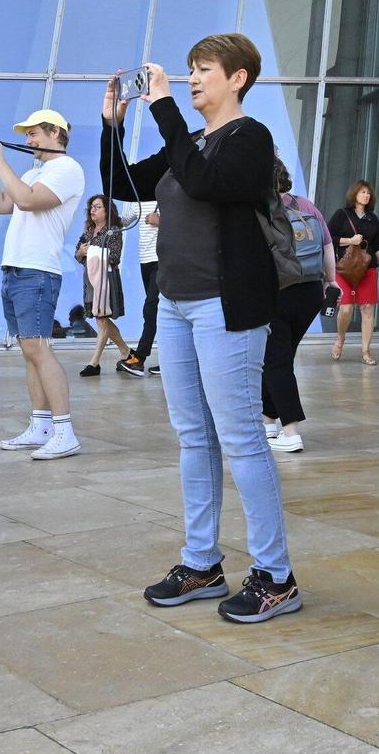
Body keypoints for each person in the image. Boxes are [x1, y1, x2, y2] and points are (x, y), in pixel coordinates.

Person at [101, 34, 303, 623]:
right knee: (194, 435)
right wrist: (112, 126)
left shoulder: (249, 138)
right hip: (176, 303)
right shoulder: (186, 140)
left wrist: (161, 108)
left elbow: (207, 183)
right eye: (187, 71)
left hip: (226, 304)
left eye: (203, 70)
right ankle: (202, 561)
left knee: (240, 434)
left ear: (237, 78)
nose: (191, 80)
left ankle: (276, 575)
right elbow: (124, 186)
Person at [0, 108, 86, 459]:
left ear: (56, 132)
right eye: (26, 134)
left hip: (37, 271)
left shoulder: (67, 169)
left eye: (34, 133)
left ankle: (64, 431)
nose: (28, 140)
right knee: (30, 352)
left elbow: (26, 199)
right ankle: (41, 426)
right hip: (16, 270)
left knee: (39, 349)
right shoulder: (34, 172)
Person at [262, 158, 335, 454]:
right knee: (279, 357)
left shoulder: (262, 209)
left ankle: (290, 431)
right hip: (311, 291)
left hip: (277, 291)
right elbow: (327, 245)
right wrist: (331, 282)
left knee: (275, 361)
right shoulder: (306, 206)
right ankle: (268, 421)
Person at [74, 195, 133, 377]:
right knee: (102, 319)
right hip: (90, 279)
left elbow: (114, 256)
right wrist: (80, 252)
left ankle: (94, 363)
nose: (92, 210)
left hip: (106, 278)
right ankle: (126, 352)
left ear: (107, 210)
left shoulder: (113, 230)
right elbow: (77, 254)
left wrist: (88, 251)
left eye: (97, 207)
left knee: (101, 318)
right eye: (91, 207)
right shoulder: (88, 231)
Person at [330, 180, 379, 365]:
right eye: (363, 192)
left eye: (368, 193)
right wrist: (350, 240)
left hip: (367, 270)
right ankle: (340, 339)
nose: (366, 195)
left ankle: (366, 351)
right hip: (344, 268)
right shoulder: (342, 214)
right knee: (346, 309)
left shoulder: (373, 218)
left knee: (368, 309)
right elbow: (329, 238)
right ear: (354, 194)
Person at [122, 197, 159, 377]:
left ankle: (140, 358)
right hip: (145, 260)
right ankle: (169, 360)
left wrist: (161, 221)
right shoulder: (138, 199)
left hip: (163, 259)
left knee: (151, 308)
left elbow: (183, 220)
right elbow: (124, 220)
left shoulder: (166, 193)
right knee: (160, 312)